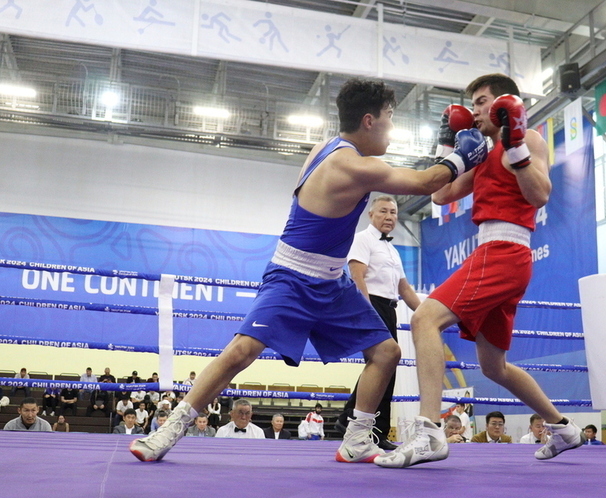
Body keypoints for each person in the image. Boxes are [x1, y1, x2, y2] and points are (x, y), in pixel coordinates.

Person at [130, 77, 461, 463]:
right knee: (242, 350)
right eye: (389, 117)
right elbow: (427, 182)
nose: (392, 127)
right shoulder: (351, 164)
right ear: (369, 121)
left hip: (332, 282)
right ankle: (168, 429)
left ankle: (356, 439)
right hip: (293, 275)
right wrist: (461, 150)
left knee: (386, 351)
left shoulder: (327, 148)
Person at [376, 73, 584, 468]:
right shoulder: (483, 152)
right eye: (472, 103)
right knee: (494, 366)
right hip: (497, 251)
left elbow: (540, 193)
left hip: (504, 250)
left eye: (483, 101)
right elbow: (440, 194)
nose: (474, 110)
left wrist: (518, 145)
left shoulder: (527, 141)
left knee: (424, 319)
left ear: (507, 103)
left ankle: (430, 433)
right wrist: (448, 144)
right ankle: (563, 427)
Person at [334, 195, 422, 450]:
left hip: (389, 307)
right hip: (371, 304)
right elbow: (357, 276)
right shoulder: (363, 239)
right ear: (371, 214)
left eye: (393, 212)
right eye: (383, 211)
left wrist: (429, 314)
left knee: (385, 368)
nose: (389, 216)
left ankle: (362, 424)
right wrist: (366, 311)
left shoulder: (392, 250)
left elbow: (404, 288)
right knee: (381, 366)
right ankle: (362, 425)